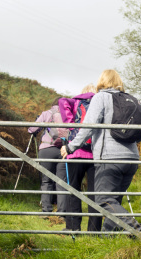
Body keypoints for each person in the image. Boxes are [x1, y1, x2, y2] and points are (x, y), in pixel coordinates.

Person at [61, 70, 141, 234]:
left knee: (103, 201)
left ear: (102, 81)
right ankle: (109, 241)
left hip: (109, 158)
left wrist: (71, 147)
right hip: (132, 159)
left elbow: (89, 126)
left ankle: (137, 230)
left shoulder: (101, 97)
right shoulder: (133, 100)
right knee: (114, 203)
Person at [56, 85, 97, 232]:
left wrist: (72, 126)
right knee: (94, 192)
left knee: (73, 189)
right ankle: (94, 230)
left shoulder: (76, 102)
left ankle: (73, 227)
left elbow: (62, 101)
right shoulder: (99, 102)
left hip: (75, 151)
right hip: (95, 154)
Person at [27, 97, 62, 213]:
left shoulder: (47, 113)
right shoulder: (68, 114)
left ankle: (47, 209)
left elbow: (32, 129)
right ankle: (62, 210)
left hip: (47, 148)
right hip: (64, 149)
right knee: (61, 180)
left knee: (46, 180)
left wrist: (38, 121)